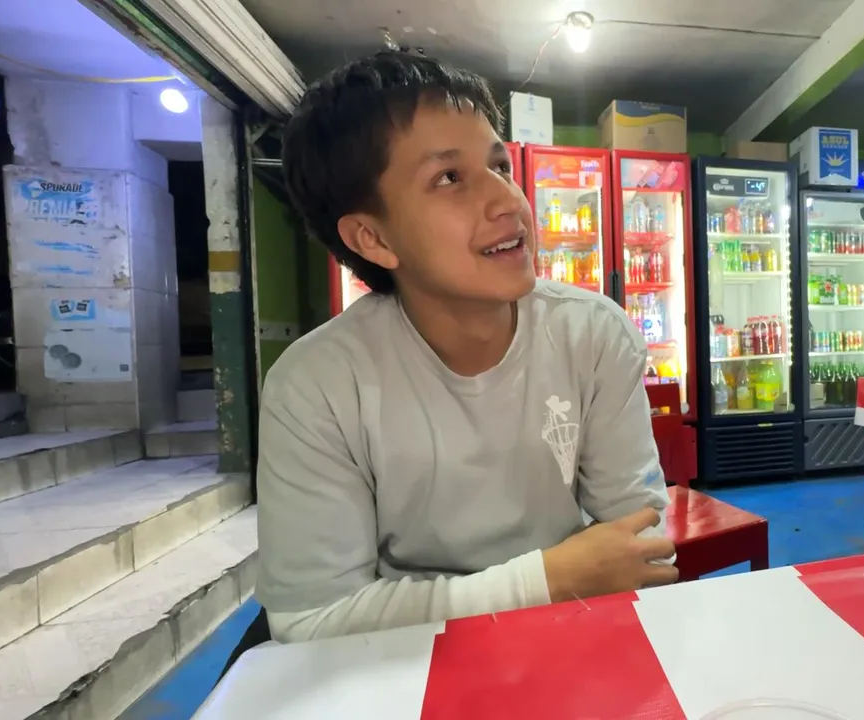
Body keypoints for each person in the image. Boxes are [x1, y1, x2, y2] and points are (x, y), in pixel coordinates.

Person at [255, 50, 677, 643]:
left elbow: (639, 540)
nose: (509, 202)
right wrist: (546, 580)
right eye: (449, 178)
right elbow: (311, 619)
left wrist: (563, 586)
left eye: (500, 166)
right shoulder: (315, 385)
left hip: (566, 636)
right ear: (372, 238)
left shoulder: (594, 334)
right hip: (404, 663)